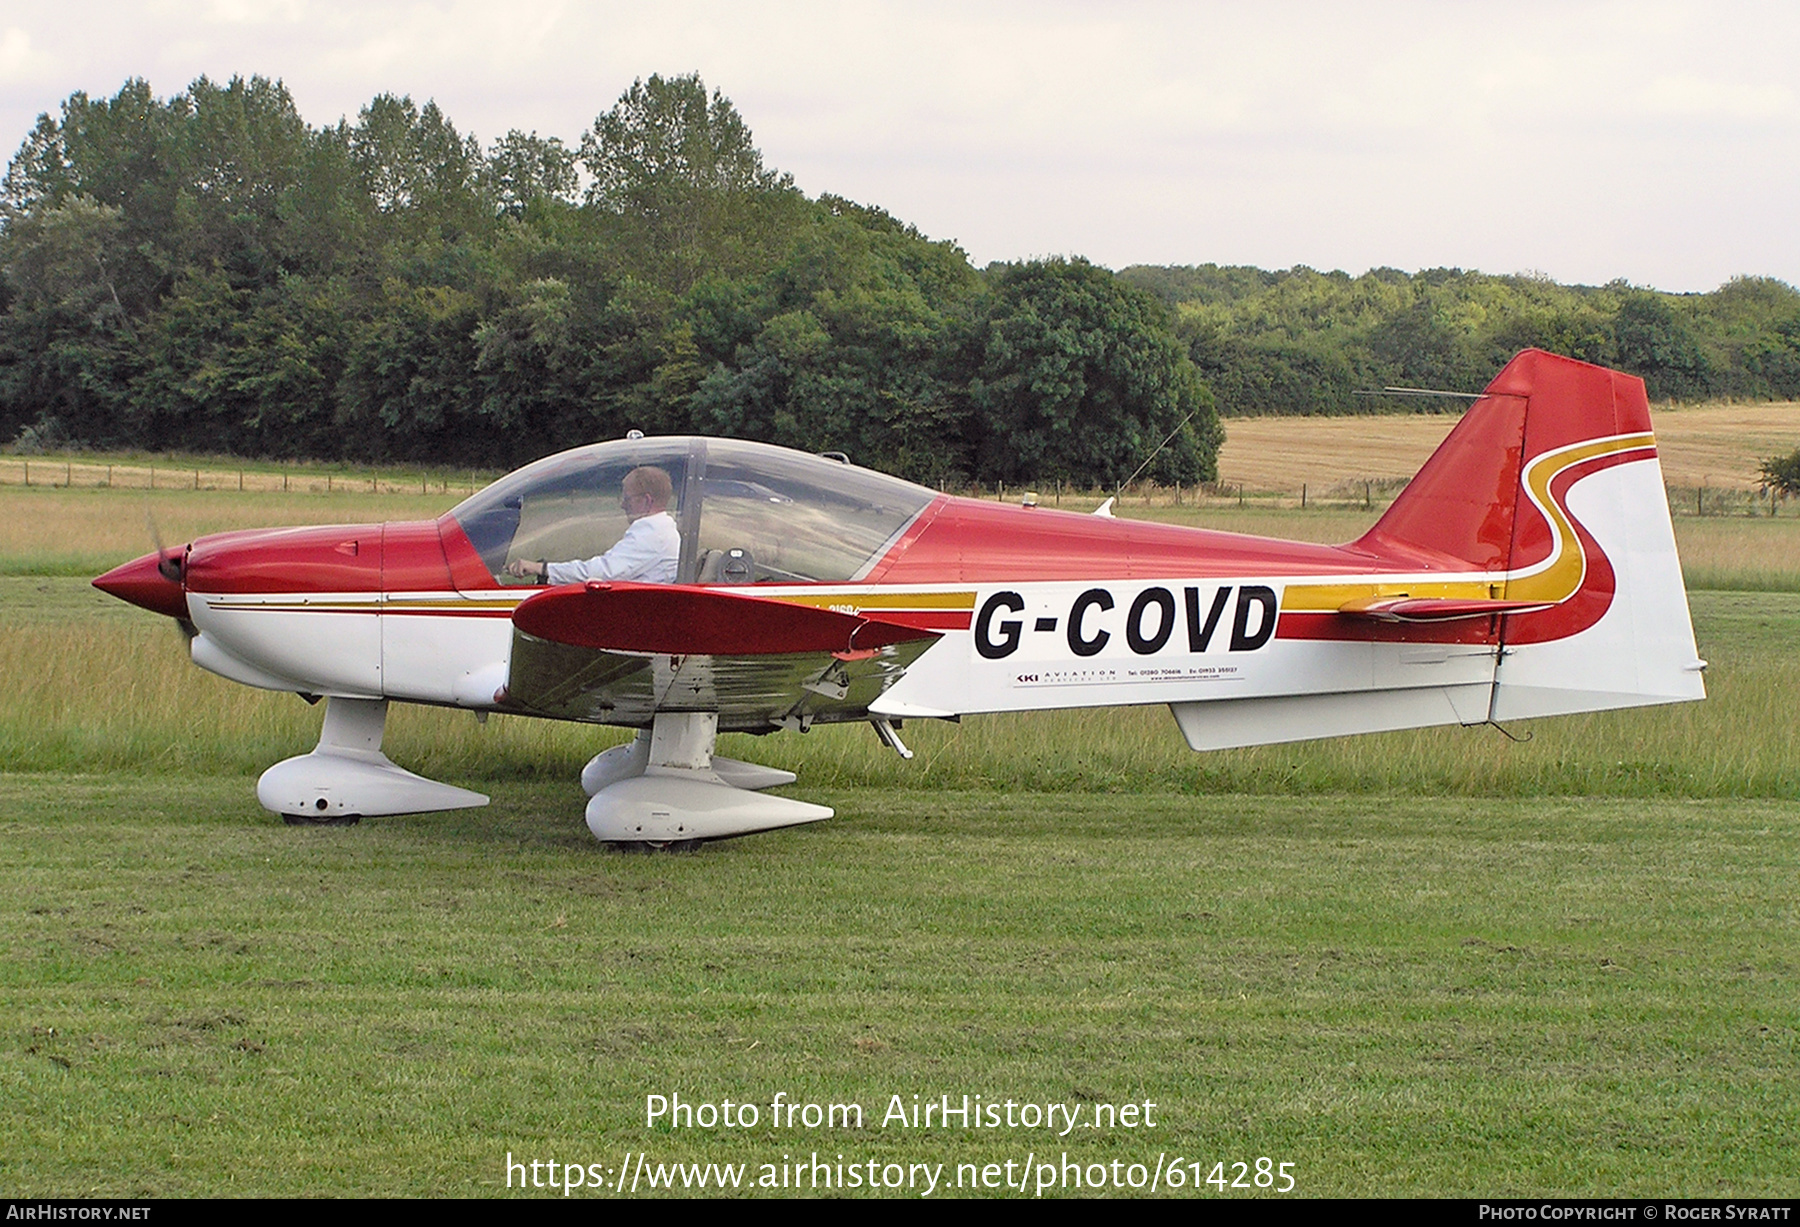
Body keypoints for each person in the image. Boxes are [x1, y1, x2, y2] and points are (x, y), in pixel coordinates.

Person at [505, 466, 680, 585]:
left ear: (646, 501)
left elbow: (603, 572)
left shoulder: (652, 533)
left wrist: (542, 568)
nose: (622, 505)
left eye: (627, 498)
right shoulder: (660, 529)